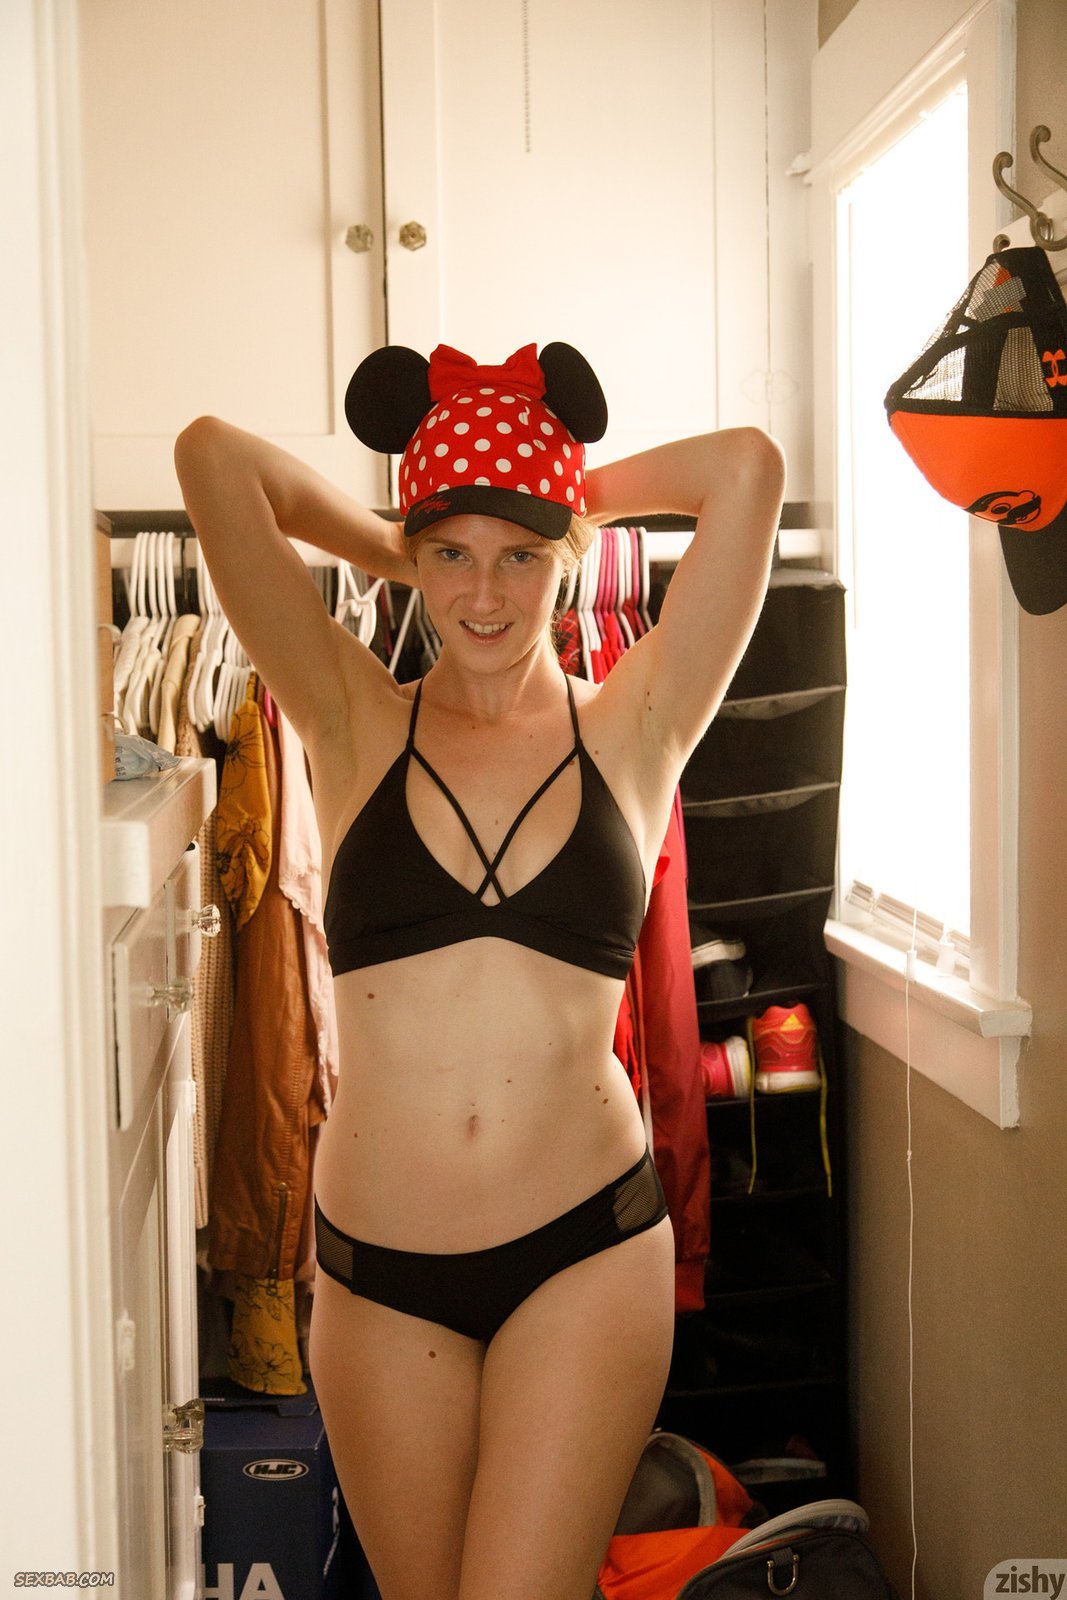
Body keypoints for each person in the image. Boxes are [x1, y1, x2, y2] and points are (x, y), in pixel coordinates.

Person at [174, 338, 784, 1600]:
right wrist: (401, 533)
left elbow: (745, 470)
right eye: (451, 554)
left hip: (582, 1253)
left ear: (565, 556)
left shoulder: (635, 723)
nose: (484, 592)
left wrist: (550, 487)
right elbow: (213, 459)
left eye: (520, 554)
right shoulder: (349, 716)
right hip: (378, 1276)